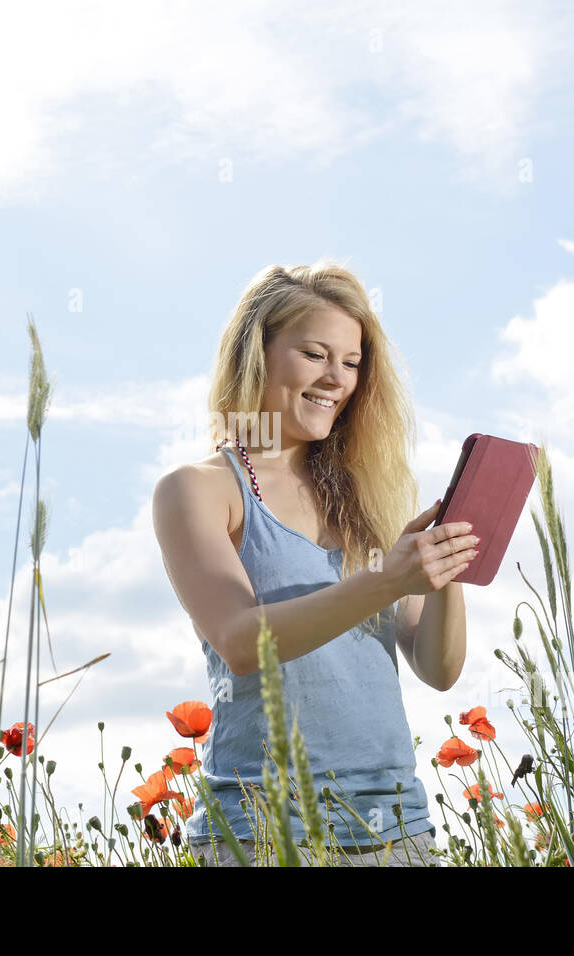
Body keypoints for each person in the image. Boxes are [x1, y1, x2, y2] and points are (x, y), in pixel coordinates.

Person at [151, 259, 479, 867]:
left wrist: (442, 572)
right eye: (315, 355)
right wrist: (387, 580)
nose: (336, 378)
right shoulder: (198, 490)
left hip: (396, 827)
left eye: (352, 363)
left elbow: (437, 667)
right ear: (258, 353)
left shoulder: (368, 499)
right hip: (264, 831)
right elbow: (241, 641)